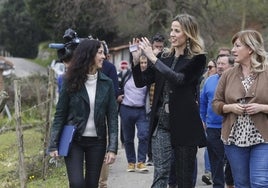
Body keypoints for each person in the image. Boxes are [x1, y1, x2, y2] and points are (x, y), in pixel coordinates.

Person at [131, 13, 207, 187]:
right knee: (160, 173)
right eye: (171, 30)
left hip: (184, 126)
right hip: (161, 126)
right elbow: (140, 81)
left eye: (177, 30)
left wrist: (153, 58)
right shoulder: (164, 57)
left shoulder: (198, 59)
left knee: (183, 179)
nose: (171, 34)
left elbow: (179, 79)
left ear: (188, 34)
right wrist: (136, 62)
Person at [48, 39, 118, 188]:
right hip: (74, 140)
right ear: (89, 54)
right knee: (77, 183)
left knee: (92, 185)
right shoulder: (70, 81)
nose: (104, 56)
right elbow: (60, 114)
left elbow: (112, 117)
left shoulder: (107, 83)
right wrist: (53, 144)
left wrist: (112, 148)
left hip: (97, 142)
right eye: (100, 52)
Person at [212, 29, 268, 187]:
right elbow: (216, 104)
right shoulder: (227, 75)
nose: (233, 50)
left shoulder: (266, 72)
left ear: (250, 49)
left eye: (237, 46)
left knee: (260, 182)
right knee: (242, 183)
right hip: (234, 139)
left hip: (263, 138)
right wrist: (229, 107)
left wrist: (262, 107)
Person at [200, 54, 234, 188]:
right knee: (216, 160)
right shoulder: (209, 81)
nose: (219, 66)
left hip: (232, 126)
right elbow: (202, 102)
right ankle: (218, 185)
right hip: (212, 127)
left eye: (223, 64)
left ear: (231, 66)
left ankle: (231, 182)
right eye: (218, 63)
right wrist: (202, 119)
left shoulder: (236, 81)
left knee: (232, 160)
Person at [119, 54, 150, 173]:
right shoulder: (126, 74)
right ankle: (131, 162)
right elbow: (116, 85)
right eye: (141, 62)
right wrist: (118, 95)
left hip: (141, 110)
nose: (142, 65)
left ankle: (141, 162)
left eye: (145, 63)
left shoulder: (148, 77)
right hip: (126, 109)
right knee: (128, 138)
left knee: (143, 135)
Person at [98, 40, 119, 188]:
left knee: (102, 152)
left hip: (103, 116)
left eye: (102, 52)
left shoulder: (109, 68)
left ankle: (102, 184)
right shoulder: (81, 70)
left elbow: (115, 91)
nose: (102, 56)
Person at [146, 33, 165, 167]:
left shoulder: (164, 59)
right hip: (147, 101)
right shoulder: (146, 59)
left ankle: (158, 155)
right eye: (156, 46)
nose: (158, 49)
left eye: (161, 47)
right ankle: (150, 156)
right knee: (148, 131)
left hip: (159, 102)